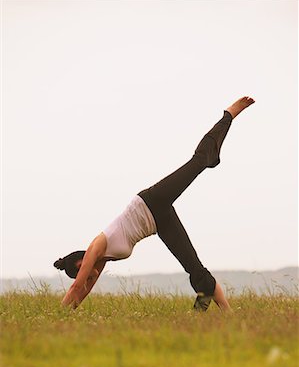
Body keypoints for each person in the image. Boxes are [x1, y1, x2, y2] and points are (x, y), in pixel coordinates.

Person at [54, 96, 255, 311]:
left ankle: (229, 114)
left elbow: (76, 288)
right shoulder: (102, 260)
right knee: (192, 266)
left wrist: (55, 315)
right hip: (158, 222)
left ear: (81, 263)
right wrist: (68, 314)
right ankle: (226, 314)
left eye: (83, 273)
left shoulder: (97, 247)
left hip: (150, 202)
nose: (88, 278)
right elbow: (82, 291)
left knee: (198, 162)